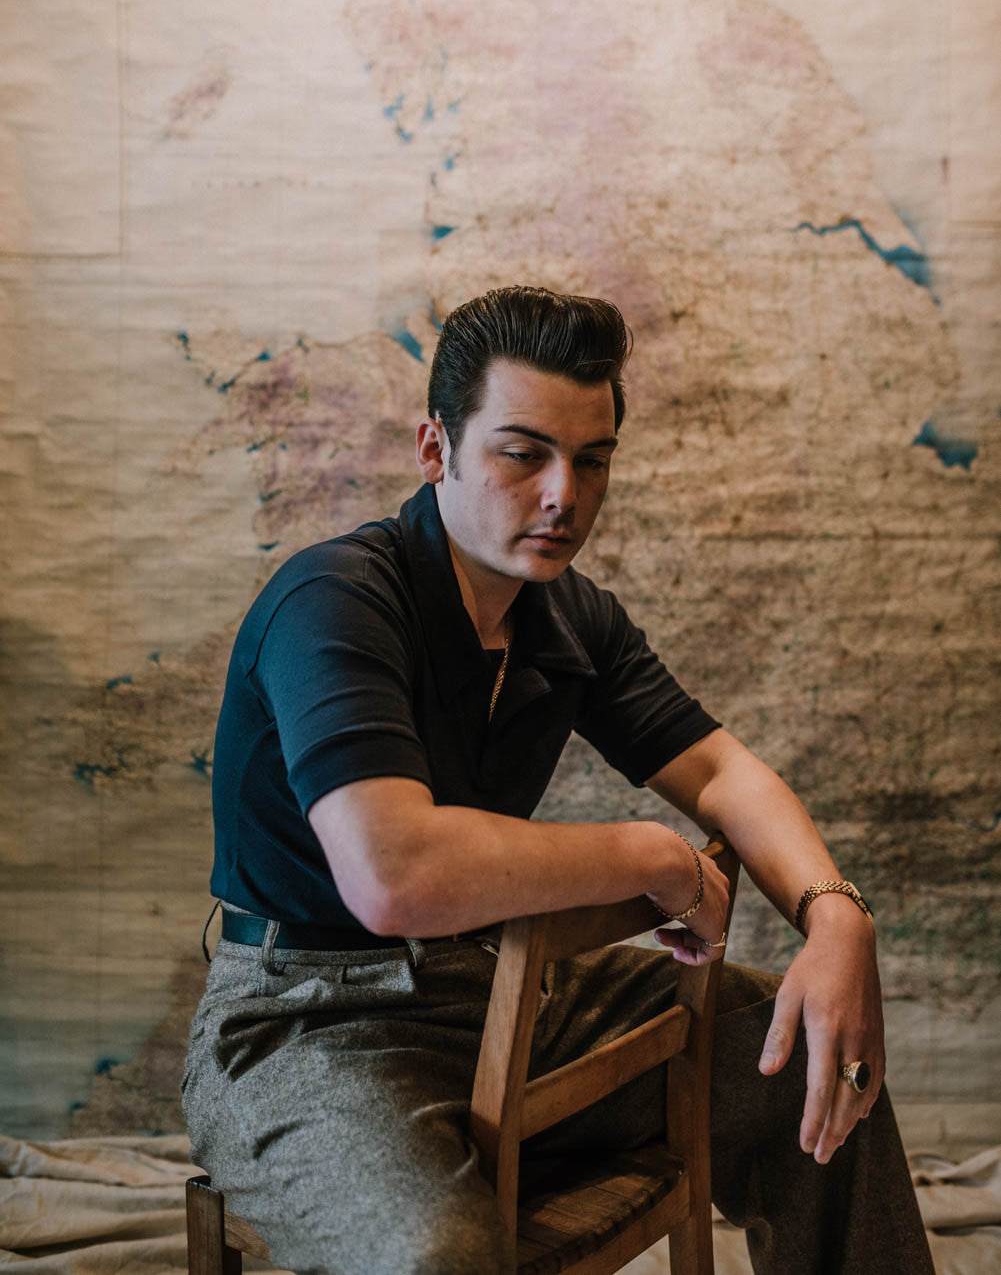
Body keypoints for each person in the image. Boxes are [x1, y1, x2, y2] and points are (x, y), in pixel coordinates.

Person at [183, 286, 933, 1275]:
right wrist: (648, 857)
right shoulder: (334, 600)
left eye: (591, 460)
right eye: (522, 453)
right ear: (435, 449)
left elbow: (721, 770)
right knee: (435, 1257)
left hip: (500, 991)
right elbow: (394, 874)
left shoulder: (568, 615)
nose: (561, 496)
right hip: (305, 1021)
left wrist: (836, 918)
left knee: (806, 1054)